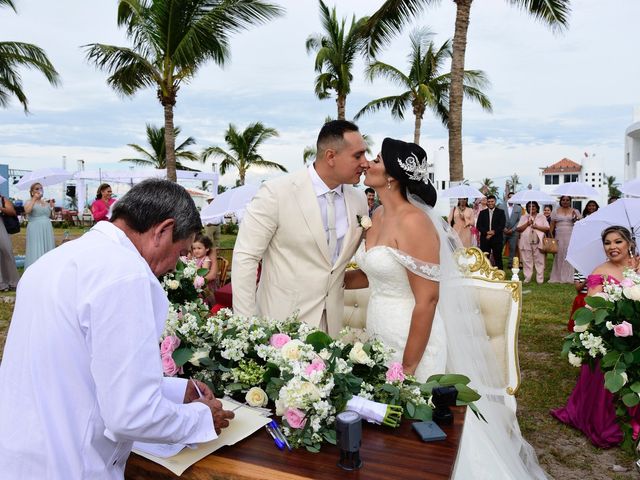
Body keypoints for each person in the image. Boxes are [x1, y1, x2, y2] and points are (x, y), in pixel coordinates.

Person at [0, 179, 234, 479]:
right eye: (180, 252)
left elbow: (82, 370)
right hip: (70, 465)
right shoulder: (126, 273)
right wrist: (202, 419)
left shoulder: (56, 260)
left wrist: (177, 390)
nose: (175, 266)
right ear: (162, 230)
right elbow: (131, 413)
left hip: (19, 454)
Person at [345, 138, 547, 479]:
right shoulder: (376, 215)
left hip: (413, 333)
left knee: (417, 423)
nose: (368, 164)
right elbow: (376, 274)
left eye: (376, 159)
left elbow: (427, 299)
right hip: (378, 328)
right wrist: (331, 280)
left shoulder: (414, 222)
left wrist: (408, 366)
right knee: (387, 426)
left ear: (393, 174)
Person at [232, 120, 368, 336]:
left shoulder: (359, 200)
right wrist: (247, 327)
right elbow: (245, 257)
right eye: (358, 156)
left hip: (331, 326)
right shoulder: (276, 193)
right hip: (281, 325)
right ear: (330, 156)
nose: (366, 163)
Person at [551, 226, 640, 448]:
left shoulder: (637, 267)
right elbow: (592, 306)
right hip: (611, 335)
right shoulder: (600, 271)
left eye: (618, 242)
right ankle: (609, 419)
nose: (612, 247)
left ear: (629, 243)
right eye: (608, 243)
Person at [567, 200, 599, 331]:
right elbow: (578, 288)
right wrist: (587, 278)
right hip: (582, 298)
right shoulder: (580, 270)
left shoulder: (599, 269)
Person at [549, 195, 581, 283]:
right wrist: (551, 237)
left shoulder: (575, 211)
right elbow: (552, 225)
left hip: (571, 235)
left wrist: (575, 218)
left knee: (569, 255)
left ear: (570, 201)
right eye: (563, 200)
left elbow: (579, 224)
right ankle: (558, 276)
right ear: (561, 201)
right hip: (559, 235)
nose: (565, 201)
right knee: (559, 255)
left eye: (567, 200)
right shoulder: (555, 211)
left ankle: (569, 276)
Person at [515, 201, 549, 284]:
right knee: (526, 260)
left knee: (539, 260)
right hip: (525, 241)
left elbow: (547, 228)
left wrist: (536, 226)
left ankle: (540, 279)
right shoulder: (524, 217)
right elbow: (518, 229)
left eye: (533, 206)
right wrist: (527, 223)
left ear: (537, 207)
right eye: (529, 206)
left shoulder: (542, 217)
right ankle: (527, 278)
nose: (531, 208)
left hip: (538, 241)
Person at [24, 182, 56, 269]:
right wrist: (34, 199)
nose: (39, 190)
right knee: (36, 248)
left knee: (47, 247)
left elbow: (53, 217)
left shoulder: (46, 203)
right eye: (37, 189)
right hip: (35, 228)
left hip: (47, 228)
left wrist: (52, 208)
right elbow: (27, 211)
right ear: (32, 192)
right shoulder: (29, 202)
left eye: (41, 188)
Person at [476, 194, 506, 269]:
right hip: (485, 238)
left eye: (492, 201)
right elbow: (478, 226)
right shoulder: (482, 213)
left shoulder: (501, 212)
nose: (490, 203)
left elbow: (502, 225)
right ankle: (484, 276)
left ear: (495, 201)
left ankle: (500, 275)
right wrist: (487, 232)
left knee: (498, 258)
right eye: (488, 201)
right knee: (485, 258)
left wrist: (493, 232)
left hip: (497, 239)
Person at [190, 232, 218, 305]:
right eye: (194, 248)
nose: (196, 251)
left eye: (199, 248)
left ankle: (204, 305)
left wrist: (194, 266)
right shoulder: (194, 258)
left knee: (202, 294)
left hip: (205, 284)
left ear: (207, 249)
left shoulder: (206, 259)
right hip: (195, 281)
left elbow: (204, 272)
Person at [0, 194, 19, 292]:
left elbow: (12, 212)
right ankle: (2, 283)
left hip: (1, 226)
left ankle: (13, 281)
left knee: (7, 251)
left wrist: (1, 208)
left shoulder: (2, 199)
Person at [502, 192, 522, 268]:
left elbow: (519, 220)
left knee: (513, 248)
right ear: (507, 198)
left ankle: (510, 264)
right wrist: (503, 228)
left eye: (513, 197)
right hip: (503, 231)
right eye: (509, 197)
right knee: (500, 247)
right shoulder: (501, 206)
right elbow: (498, 218)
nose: (511, 199)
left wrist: (513, 229)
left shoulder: (518, 208)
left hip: (514, 232)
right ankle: (498, 262)